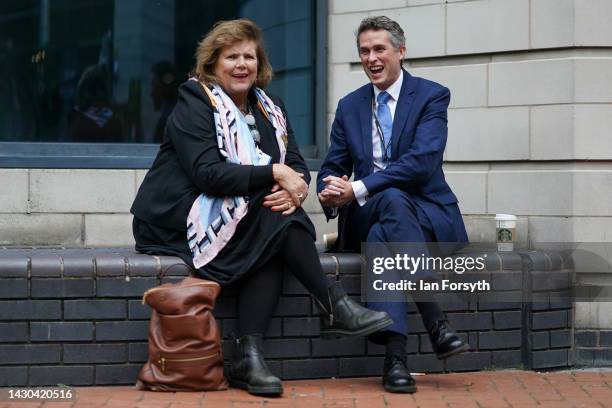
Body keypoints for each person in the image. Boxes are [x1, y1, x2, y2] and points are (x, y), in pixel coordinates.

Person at [130, 19, 392, 396]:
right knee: (275, 218)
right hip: (178, 216)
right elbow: (208, 174)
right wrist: (276, 172)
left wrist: (293, 190)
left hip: (246, 214)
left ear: (259, 63)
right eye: (231, 57)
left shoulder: (270, 107)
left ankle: (251, 358)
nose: (241, 65)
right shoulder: (195, 99)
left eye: (248, 56)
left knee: (277, 219)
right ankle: (327, 307)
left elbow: (297, 163)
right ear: (213, 64)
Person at [317, 16, 469, 394]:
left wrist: (360, 187)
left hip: (424, 213)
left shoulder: (432, 95)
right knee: (389, 203)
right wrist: (330, 189)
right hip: (367, 214)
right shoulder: (350, 106)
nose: (371, 58)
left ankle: (395, 359)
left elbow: (422, 161)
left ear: (401, 51)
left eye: (379, 49)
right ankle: (435, 319)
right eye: (364, 51)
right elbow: (334, 166)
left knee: (390, 219)